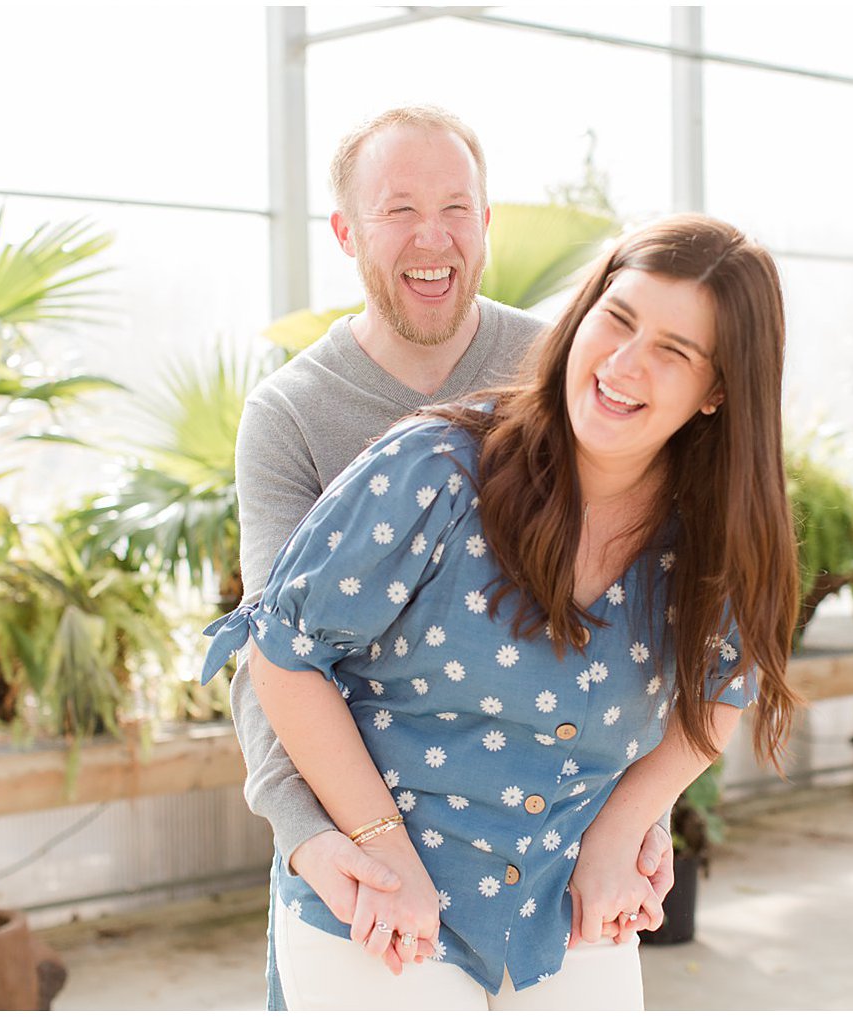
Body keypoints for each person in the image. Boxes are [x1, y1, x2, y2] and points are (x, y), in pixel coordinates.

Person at [203, 213, 802, 1008]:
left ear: (717, 390)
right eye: (617, 320)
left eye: (674, 351)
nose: (624, 363)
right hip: (382, 900)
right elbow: (282, 651)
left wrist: (620, 830)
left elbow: (720, 696)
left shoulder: (716, 538)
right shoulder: (435, 470)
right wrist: (385, 851)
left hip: (563, 908)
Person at [228, 106, 675, 1007]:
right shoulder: (292, 414)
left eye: (457, 208)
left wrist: (639, 808)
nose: (433, 238)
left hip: (550, 861)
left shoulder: (561, 370)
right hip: (369, 843)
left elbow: (630, 612)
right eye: (398, 211)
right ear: (347, 232)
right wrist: (313, 836)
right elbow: (270, 653)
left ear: (485, 220)